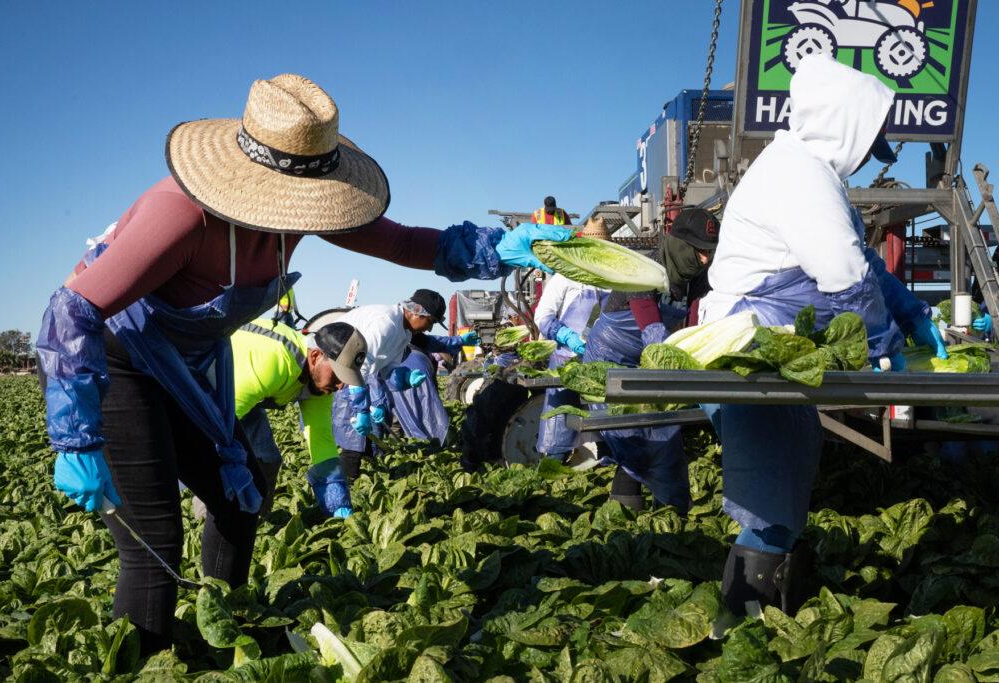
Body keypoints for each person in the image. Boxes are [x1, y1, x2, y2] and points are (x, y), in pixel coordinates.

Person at [36, 73, 568, 653]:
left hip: (185, 370)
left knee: (241, 498)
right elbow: (73, 311)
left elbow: (405, 242)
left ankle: (221, 625)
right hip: (111, 362)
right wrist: (76, 438)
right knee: (155, 538)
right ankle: (147, 658)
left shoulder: (300, 212)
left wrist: (497, 248)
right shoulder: (180, 214)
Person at [699, 54, 947, 617]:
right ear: (845, 127)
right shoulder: (798, 176)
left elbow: (863, 263)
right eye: (867, 143)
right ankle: (740, 626)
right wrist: (885, 358)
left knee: (782, 485)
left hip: (770, 355)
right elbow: (847, 278)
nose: (865, 161)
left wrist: (910, 313)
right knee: (770, 497)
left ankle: (771, 606)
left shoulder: (810, 173)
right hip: (750, 354)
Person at [584, 208, 720, 512]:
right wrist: (660, 349)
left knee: (663, 436)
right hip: (611, 360)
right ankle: (623, 515)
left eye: (709, 253)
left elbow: (694, 319)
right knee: (631, 435)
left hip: (649, 364)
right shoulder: (647, 265)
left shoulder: (697, 278)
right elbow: (646, 314)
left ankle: (668, 517)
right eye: (699, 252)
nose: (704, 260)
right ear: (680, 244)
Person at [201, 318, 366, 521]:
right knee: (219, 461)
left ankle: (255, 521)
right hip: (211, 383)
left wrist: (336, 497)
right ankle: (209, 521)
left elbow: (321, 437)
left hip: (247, 394)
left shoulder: (320, 386)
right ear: (315, 356)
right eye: (338, 376)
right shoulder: (275, 361)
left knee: (267, 460)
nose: (341, 387)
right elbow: (218, 427)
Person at [331, 289, 478, 487]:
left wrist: (405, 378)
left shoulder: (404, 332)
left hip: (359, 377)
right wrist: (361, 409)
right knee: (352, 438)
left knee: (367, 436)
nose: (428, 328)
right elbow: (361, 368)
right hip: (339, 372)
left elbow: (387, 369)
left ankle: (367, 481)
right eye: (431, 322)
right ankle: (346, 488)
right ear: (418, 312)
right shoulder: (385, 324)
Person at [533, 217, 606, 462]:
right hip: (566, 359)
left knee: (607, 420)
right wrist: (566, 336)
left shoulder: (611, 281)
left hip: (600, 361)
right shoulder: (565, 278)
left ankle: (609, 466)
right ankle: (553, 467)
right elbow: (542, 317)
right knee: (558, 418)